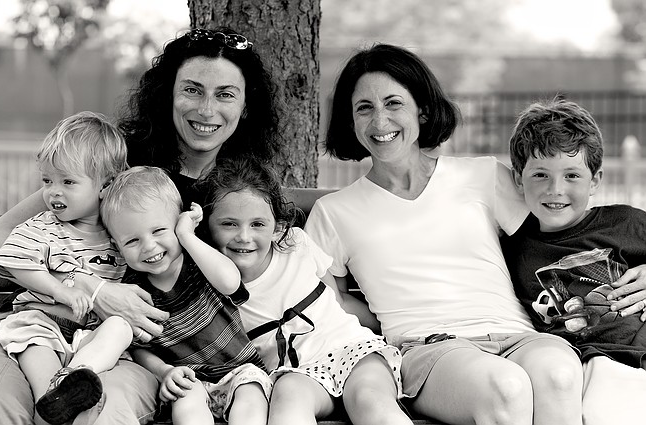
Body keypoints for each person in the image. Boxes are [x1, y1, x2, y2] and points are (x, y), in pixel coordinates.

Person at [0, 26, 279, 425]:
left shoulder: (238, 191)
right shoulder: (112, 164)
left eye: (225, 94)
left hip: (130, 349)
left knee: (99, 414)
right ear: (167, 93)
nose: (206, 110)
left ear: (245, 106)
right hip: (38, 322)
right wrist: (93, 288)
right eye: (191, 90)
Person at [303, 43, 591, 425]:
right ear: (350, 120)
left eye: (393, 103)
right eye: (364, 108)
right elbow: (325, 299)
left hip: (518, 334)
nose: (380, 121)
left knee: (560, 374)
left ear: (421, 110)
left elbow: (560, 237)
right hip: (430, 350)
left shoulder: (483, 176)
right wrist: (387, 312)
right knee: (507, 387)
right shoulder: (334, 213)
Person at [201, 157, 411, 425]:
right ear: (208, 226)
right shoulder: (212, 292)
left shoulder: (297, 245)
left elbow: (337, 301)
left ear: (277, 227)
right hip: (299, 375)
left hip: (352, 351)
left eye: (257, 224)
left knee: (370, 400)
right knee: (287, 400)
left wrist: (391, 331)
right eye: (229, 224)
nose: (244, 236)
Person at [0, 111, 132, 425]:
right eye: (47, 181)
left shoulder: (118, 236)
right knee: (37, 351)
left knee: (120, 328)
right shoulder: (43, 227)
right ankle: (51, 398)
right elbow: (16, 262)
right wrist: (59, 290)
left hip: (86, 336)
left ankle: (74, 377)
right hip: (41, 323)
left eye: (68, 182)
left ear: (105, 186)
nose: (53, 192)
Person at [100, 166, 272, 425]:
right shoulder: (132, 293)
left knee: (250, 400)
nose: (149, 246)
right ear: (117, 246)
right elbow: (138, 348)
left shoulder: (199, 260)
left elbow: (229, 282)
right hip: (189, 378)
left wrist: (186, 235)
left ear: (178, 224)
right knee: (186, 405)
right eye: (132, 241)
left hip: (241, 370)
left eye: (159, 231)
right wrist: (165, 371)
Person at [501, 98, 646, 404]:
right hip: (585, 371)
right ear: (518, 178)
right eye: (540, 174)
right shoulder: (510, 249)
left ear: (595, 180)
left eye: (572, 175)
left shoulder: (626, 222)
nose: (555, 189)